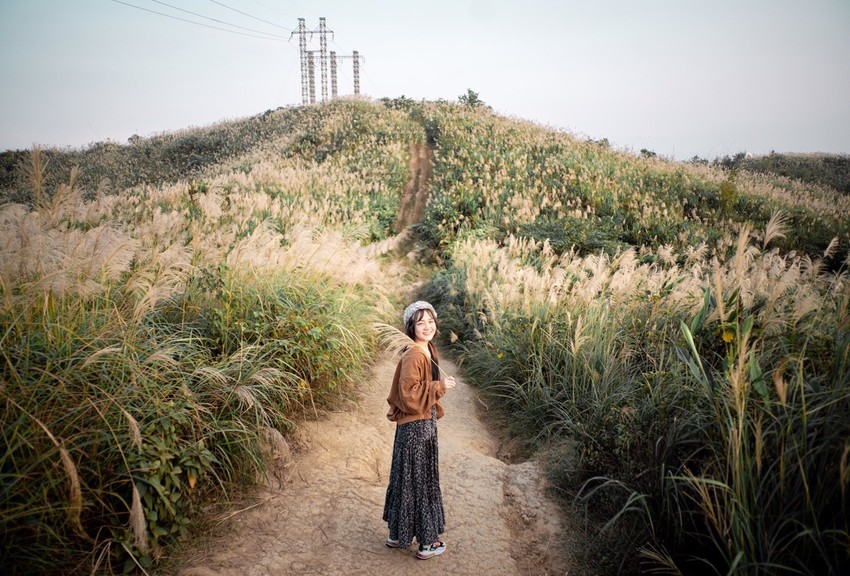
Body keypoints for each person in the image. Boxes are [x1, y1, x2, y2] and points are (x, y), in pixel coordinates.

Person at [383, 300, 457, 560]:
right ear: (411, 327)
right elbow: (409, 394)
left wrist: (437, 386)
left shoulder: (427, 350)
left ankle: (397, 534)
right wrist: (440, 386)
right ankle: (427, 543)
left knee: (406, 480)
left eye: (431, 321)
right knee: (420, 482)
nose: (427, 327)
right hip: (416, 428)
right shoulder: (415, 354)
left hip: (420, 424)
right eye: (420, 323)